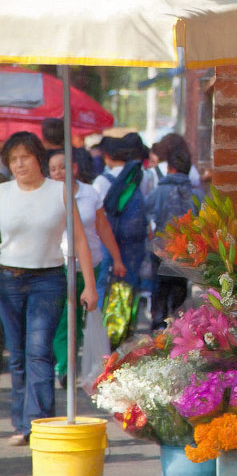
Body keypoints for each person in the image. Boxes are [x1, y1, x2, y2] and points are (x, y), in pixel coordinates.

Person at [0, 131, 98, 446]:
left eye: (24, 157)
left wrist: (90, 286)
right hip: (7, 280)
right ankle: (22, 421)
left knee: (39, 351)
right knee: (17, 354)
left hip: (48, 279)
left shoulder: (59, 192)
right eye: (12, 159)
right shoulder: (3, 194)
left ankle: (36, 423)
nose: (18, 164)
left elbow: (80, 239)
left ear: (38, 158)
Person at [46, 148, 125, 385]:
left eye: (62, 166)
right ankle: (64, 368)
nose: (58, 172)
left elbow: (103, 228)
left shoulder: (91, 193)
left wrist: (117, 259)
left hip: (93, 265)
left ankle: (80, 362)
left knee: (84, 316)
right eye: (53, 169)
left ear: (74, 168)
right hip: (59, 266)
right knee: (63, 318)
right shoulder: (47, 196)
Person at [92, 133, 150, 307]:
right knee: (130, 282)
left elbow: (96, 215)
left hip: (109, 240)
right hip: (135, 239)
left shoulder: (101, 181)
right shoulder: (142, 176)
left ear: (107, 157)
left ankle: (105, 325)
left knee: (105, 281)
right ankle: (123, 326)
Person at [146, 145, 197, 330]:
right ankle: (179, 324)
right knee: (180, 285)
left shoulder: (159, 191)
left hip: (160, 247)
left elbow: (146, 211)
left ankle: (158, 324)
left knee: (159, 285)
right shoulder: (196, 193)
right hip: (185, 250)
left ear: (170, 169)